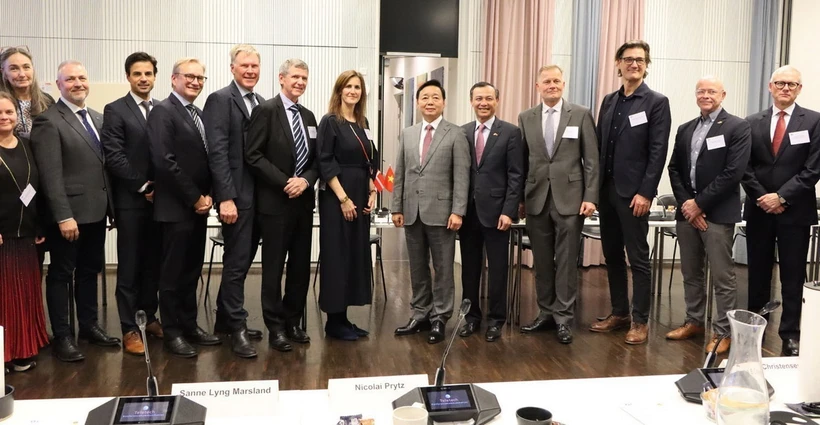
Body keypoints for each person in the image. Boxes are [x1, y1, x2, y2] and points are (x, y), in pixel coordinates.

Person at [30, 60, 120, 362]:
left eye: (82, 77)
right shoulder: (48, 121)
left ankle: (89, 326)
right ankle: (63, 335)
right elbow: (50, 175)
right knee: (61, 274)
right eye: (70, 79)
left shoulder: (97, 117)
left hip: (96, 212)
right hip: (68, 216)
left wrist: (112, 208)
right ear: (59, 85)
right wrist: (63, 216)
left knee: (90, 271)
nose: (78, 83)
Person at [591, 40, 671, 345]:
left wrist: (646, 193)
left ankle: (640, 321)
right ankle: (620, 313)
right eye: (628, 59)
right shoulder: (609, 101)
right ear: (618, 63)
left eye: (639, 59)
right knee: (612, 254)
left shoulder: (656, 102)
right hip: (607, 192)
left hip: (635, 195)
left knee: (638, 258)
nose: (634, 64)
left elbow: (657, 151)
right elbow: (599, 146)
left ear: (646, 65)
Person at [666, 76, 751, 355]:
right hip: (687, 213)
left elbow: (733, 172)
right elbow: (674, 169)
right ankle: (694, 322)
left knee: (722, 277)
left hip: (717, 213)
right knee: (691, 272)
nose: (705, 95)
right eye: (701, 91)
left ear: (723, 95)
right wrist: (687, 204)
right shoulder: (685, 128)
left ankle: (723, 331)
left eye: (711, 91)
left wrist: (699, 204)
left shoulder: (737, 127)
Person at [742, 65, 820, 357]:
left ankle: (790, 334)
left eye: (792, 84)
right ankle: (755, 331)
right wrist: (763, 197)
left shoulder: (814, 121)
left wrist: (782, 197)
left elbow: (813, 168)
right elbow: (744, 167)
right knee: (757, 274)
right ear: (770, 86)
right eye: (780, 83)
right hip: (759, 210)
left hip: (795, 212)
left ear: (800, 89)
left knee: (793, 276)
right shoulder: (751, 122)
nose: (786, 88)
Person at [518, 66, 599, 344]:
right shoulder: (526, 117)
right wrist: (520, 199)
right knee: (541, 261)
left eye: (556, 81)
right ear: (537, 86)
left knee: (565, 261)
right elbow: (522, 160)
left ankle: (563, 318)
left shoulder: (581, 114)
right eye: (546, 81)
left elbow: (592, 160)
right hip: (536, 198)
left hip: (571, 199)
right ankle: (545, 312)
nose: (552, 85)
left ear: (563, 84)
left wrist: (590, 196)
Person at [148, 58, 220, 358]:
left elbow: (208, 160)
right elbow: (164, 162)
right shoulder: (163, 112)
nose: (195, 82)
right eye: (189, 76)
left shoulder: (198, 114)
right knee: (172, 275)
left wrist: (209, 196)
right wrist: (195, 197)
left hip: (199, 208)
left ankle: (189, 325)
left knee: (192, 271)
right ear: (174, 78)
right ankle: (172, 332)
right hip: (176, 208)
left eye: (200, 78)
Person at [245, 59, 318, 352]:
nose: (300, 82)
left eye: (304, 78)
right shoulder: (265, 111)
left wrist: (306, 181)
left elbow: (316, 160)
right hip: (275, 203)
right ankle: (275, 328)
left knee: (300, 267)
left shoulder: (309, 117)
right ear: (281, 78)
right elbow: (253, 155)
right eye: (295, 77)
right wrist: (286, 181)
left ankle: (292, 322)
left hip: (303, 204)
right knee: (274, 269)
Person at [392, 79, 470, 344]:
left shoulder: (455, 134)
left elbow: (462, 176)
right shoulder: (408, 134)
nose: (430, 102)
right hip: (411, 211)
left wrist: (458, 210)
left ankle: (440, 317)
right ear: (417, 102)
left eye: (435, 97)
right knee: (417, 267)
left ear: (444, 102)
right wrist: (396, 206)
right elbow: (401, 172)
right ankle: (420, 313)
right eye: (424, 97)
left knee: (443, 268)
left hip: (443, 213)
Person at [202, 44, 264, 358]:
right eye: (245, 66)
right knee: (237, 263)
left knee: (242, 260)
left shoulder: (261, 102)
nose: (250, 71)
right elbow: (217, 152)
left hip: (259, 199)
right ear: (232, 68)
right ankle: (237, 327)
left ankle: (225, 320)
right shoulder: (220, 99)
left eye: (254, 66)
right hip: (235, 198)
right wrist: (225, 198)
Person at [100, 52, 164, 356]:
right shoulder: (115, 110)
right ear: (128, 76)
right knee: (129, 266)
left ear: (155, 77)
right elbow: (114, 156)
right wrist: (144, 186)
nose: (143, 78)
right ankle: (129, 327)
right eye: (137, 73)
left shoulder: (162, 109)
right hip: (131, 202)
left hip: (161, 203)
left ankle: (148, 317)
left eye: (148, 73)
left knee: (153, 264)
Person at [316, 70, 379, 341]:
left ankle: (343, 318)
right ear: (339, 90)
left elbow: (370, 159)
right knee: (337, 255)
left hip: (360, 192)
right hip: (337, 196)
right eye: (348, 86)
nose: (353, 91)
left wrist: (372, 189)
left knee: (354, 254)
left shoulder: (363, 122)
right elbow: (325, 161)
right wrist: (343, 199)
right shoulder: (330, 121)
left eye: (357, 87)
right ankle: (333, 322)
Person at [458, 81, 522, 342]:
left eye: (488, 98)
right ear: (471, 102)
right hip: (468, 212)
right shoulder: (462, 132)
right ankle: (471, 317)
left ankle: (496, 320)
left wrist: (509, 211)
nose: (483, 103)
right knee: (469, 269)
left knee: (498, 269)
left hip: (497, 214)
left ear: (497, 100)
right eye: (478, 99)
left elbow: (516, 175)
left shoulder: (510, 132)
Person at [0, 92, 49, 373]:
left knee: (24, 295)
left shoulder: (28, 144)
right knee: (5, 297)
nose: (5, 117)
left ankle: (21, 349)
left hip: (27, 234)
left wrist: (40, 225)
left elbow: (37, 189)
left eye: (9, 112)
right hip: (2, 236)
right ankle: (3, 353)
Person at [0, 46, 54, 138]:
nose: (22, 74)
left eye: (26, 67)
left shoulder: (47, 100)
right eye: (14, 68)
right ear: (3, 73)